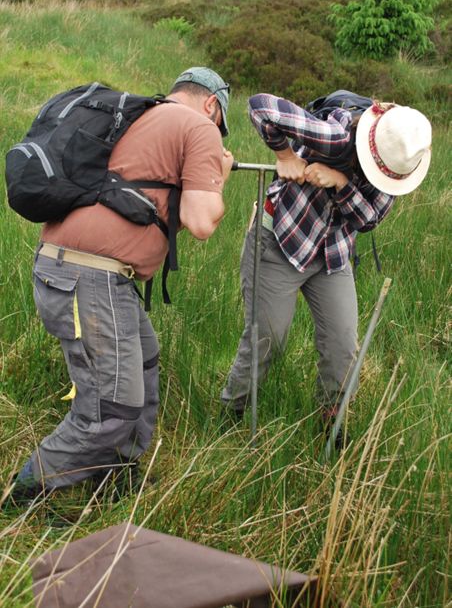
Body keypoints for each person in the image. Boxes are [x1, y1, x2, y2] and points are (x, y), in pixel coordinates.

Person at [8, 66, 234, 505]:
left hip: (78, 270)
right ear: (211, 105)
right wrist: (218, 175)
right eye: (221, 124)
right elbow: (201, 221)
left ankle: (119, 476)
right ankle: (26, 492)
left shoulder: (141, 117)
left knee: (145, 363)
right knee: (113, 407)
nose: (219, 133)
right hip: (93, 276)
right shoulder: (197, 127)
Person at [220, 93, 431, 442]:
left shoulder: (401, 158)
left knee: (342, 345)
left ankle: (330, 422)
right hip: (280, 242)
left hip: (333, 254)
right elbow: (260, 106)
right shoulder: (336, 136)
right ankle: (232, 411)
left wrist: (341, 183)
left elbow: (369, 218)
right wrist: (284, 154)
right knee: (268, 338)